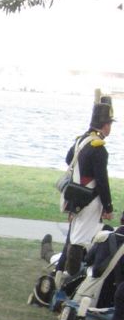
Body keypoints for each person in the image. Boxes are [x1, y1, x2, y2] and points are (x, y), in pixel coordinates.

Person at [60, 95, 115, 277]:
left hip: (76, 196)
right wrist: (108, 207)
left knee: (77, 236)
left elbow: (69, 159)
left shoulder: (81, 141)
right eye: (109, 123)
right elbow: (102, 181)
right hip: (90, 198)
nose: (110, 127)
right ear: (104, 125)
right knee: (80, 240)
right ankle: (72, 276)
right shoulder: (98, 148)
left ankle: (69, 272)